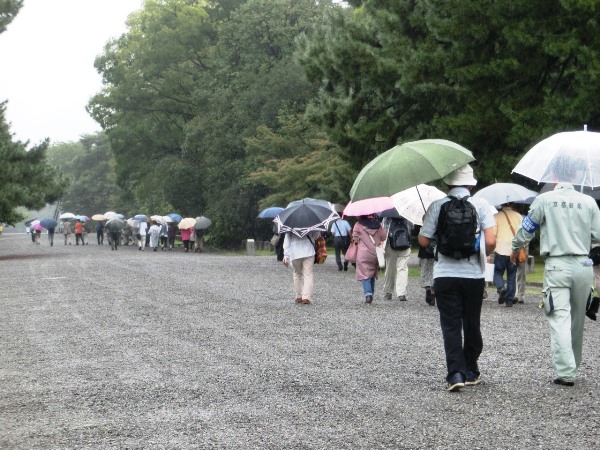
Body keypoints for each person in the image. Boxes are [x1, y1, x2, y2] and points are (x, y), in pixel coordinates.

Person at [511, 169, 600, 387]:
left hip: (557, 265)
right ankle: (574, 365)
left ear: (554, 178)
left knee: (559, 316)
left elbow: (527, 229)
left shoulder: (544, 200)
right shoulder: (589, 202)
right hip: (583, 265)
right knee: (578, 319)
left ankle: (566, 371)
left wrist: (515, 247)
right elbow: (598, 235)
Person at [418, 164, 496, 392]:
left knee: (451, 325)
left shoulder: (437, 206)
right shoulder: (481, 205)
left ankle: (456, 374)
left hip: (445, 274)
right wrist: (478, 252)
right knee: (472, 322)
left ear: (447, 184)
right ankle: (471, 369)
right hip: (473, 275)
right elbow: (491, 241)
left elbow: (423, 241)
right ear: (471, 184)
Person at [493, 203, 523, 307]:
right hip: (514, 250)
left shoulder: (496, 217)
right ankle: (509, 300)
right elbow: (523, 233)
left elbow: (493, 234)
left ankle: (501, 288)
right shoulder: (518, 216)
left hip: (500, 249)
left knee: (497, 272)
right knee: (511, 274)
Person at [352, 215, 387, 303]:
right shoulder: (378, 225)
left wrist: (360, 239)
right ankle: (371, 293)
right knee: (372, 273)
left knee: (365, 273)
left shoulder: (358, 225)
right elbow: (384, 237)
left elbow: (355, 239)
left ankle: (368, 294)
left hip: (363, 253)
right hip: (376, 253)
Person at [282, 230, 322, 304]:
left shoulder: (290, 225)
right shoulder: (311, 223)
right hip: (308, 251)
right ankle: (306, 297)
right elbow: (316, 237)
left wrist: (286, 255)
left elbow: (287, 240)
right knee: (308, 274)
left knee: (297, 274)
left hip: (295, 252)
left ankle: (299, 296)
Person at [382, 216, 413, 301]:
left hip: (390, 245)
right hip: (405, 245)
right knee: (403, 269)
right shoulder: (407, 216)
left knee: (390, 269)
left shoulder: (387, 217)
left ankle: (388, 292)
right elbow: (411, 228)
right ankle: (401, 293)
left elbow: (383, 230)